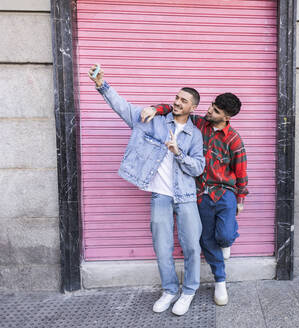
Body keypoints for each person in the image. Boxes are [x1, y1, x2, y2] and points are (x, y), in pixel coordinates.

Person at [88, 64, 205, 316]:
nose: (177, 102)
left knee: (192, 246)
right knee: (162, 247)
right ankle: (170, 290)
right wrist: (102, 85)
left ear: (192, 108)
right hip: (160, 196)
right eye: (176, 97)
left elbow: (198, 167)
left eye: (183, 100)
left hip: (186, 197)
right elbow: (123, 107)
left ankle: (188, 291)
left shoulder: (195, 135)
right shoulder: (152, 120)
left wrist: (179, 153)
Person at [140, 93, 248, 306]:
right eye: (211, 106)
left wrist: (241, 199)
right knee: (206, 240)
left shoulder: (234, 139)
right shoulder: (200, 124)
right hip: (201, 193)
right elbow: (176, 110)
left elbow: (241, 170)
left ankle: (227, 241)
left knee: (224, 235)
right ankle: (220, 281)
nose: (209, 111)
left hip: (225, 192)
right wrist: (156, 108)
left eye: (216, 111)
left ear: (226, 117)